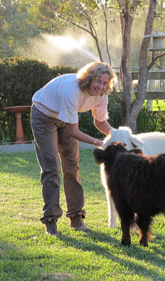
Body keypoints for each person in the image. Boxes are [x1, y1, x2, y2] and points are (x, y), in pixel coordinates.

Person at [30, 62, 117, 236]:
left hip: (66, 119)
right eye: (98, 81)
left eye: (104, 83)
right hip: (44, 115)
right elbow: (72, 130)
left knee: (72, 166)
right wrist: (99, 143)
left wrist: (117, 135)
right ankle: (51, 221)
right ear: (89, 78)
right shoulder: (73, 90)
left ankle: (76, 218)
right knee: (51, 168)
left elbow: (99, 121)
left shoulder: (101, 95)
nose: (100, 87)